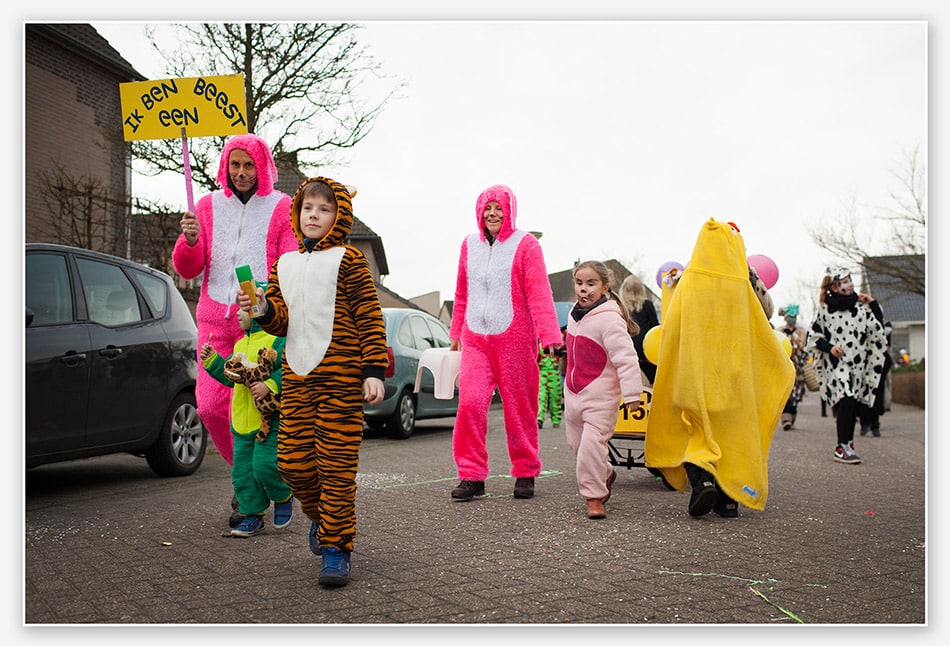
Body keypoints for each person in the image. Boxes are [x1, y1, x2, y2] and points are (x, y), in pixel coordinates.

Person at [237, 177, 388, 587]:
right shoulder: (283, 263)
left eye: (324, 209)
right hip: (298, 378)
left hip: (341, 381)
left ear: (339, 216)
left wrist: (373, 369)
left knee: (336, 469)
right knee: (292, 464)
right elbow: (281, 320)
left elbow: (369, 316)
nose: (314, 215)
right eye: (307, 208)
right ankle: (322, 520)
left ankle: (337, 548)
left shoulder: (350, 259)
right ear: (297, 214)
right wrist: (265, 306)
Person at [172, 134, 298, 527]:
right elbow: (187, 269)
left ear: (262, 167)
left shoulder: (281, 207)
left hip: (257, 324)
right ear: (225, 166)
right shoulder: (206, 207)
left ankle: (265, 481)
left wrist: (265, 301)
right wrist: (189, 241)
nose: (241, 173)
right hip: (213, 320)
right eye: (235, 165)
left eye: (249, 165)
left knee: (261, 408)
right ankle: (246, 479)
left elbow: (289, 262)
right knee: (210, 407)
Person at [645, 219, 793, 519]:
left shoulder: (688, 282)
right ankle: (728, 498)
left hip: (693, 377)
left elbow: (673, 324)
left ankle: (702, 481)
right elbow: (764, 319)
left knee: (696, 432)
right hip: (732, 377)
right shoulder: (742, 285)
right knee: (729, 435)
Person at [448, 184, 563, 502]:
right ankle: (471, 475)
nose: (493, 213)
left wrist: (550, 335)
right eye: (488, 208)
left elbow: (539, 291)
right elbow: (461, 292)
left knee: (519, 407)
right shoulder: (468, 244)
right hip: (475, 339)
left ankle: (525, 472)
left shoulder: (525, 244)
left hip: (515, 338)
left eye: (499, 208)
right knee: (470, 404)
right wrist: (455, 333)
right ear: (479, 211)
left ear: (510, 211)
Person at [200, 291, 294, 538]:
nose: (237, 315)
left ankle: (283, 494)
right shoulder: (240, 344)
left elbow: (289, 368)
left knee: (264, 466)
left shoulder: (276, 339)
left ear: (256, 311)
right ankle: (253, 516)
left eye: (242, 310)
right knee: (242, 473)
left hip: (268, 421)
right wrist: (213, 362)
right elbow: (231, 378)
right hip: (241, 423)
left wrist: (270, 385)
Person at [563, 261, 643, 520]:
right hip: (573, 395)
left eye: (591, 284)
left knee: (590, 445)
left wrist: (632, 395)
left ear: (605, 288)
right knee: (576, 444)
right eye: (579, 283)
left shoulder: (609, 319)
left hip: (600, 397)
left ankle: (594, 497)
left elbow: (626, 357)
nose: (583, 289)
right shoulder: (574, 315)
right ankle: (606, 472)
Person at [806, 267, 888, 463]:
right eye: (844, 281)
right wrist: (830, 347)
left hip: (857, 366)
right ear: (834, 287)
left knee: (851, 403)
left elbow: (878, 330)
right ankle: (841, 446)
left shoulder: (861, 310)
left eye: (850, 280)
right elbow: (814, 337)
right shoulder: (825, 311)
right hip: (837, 365)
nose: (850, 284)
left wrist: (873, 304)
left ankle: (848, 443)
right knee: (847, 397)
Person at [619, 274, 660, 386]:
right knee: (652, 385)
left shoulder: (620, 309)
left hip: (628, 351)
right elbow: (655, 328)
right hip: (647, 351)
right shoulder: (647, 305)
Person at [776, 304, 808, 430]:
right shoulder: (780, 331)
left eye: (794, 317)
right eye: (790, 316)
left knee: (796, 393)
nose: (793, 319)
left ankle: (792, 417)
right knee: (786, 392)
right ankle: (786, 418)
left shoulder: (801, 332)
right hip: (784, 367)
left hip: (798, 367)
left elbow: (805, 347)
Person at [537, 341, 563, 429]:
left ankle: (556, 419)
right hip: (542, 373)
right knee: (541, 396)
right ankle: (539, 419)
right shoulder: (538, 344)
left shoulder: (558, 344)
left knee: (555, 397)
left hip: (554, 373)